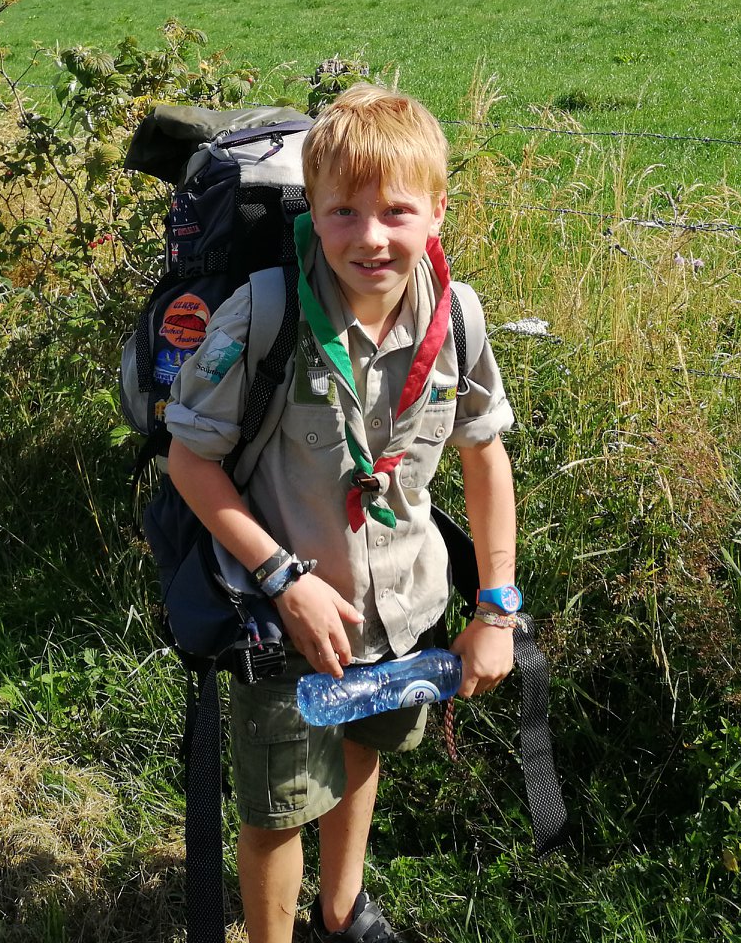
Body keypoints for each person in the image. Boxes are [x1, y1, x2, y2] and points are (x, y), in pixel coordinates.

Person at [164, 83, 521, 943]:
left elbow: (484, 456)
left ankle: (341, 912)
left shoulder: (458, 317)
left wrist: (496, 610)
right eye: (344, 212)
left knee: (362, 750)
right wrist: (284, 580)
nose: (370, 236)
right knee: (278, 807)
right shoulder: (266, 314)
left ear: (438, 210)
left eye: (397, 211)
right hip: (283, 620)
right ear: (313, 213)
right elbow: (190, 462)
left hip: (401, 610)